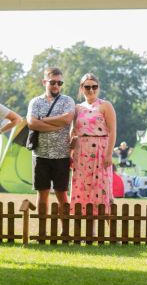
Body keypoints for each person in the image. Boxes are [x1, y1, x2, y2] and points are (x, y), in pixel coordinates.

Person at [27, 67, 75, 212]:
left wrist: (43, 120)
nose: (56, 86)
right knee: (42, 194)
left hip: (62, 155)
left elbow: (67, 119)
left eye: (60, 83)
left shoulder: (68, 101)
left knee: (62, 194)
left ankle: (64, 226)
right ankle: (42, 227)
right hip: (40, 155)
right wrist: (57, 125)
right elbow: (32, 123)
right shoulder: (35, 102)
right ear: (44, 82)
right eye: (52, 82)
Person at [70, 73, 117, 214]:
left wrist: (109, 154)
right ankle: (89, 227)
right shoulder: (77, 108)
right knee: (83, 189)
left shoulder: (105, 105)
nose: (91, 90)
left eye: (94, 86)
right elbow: (73, 132)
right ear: (81, 88)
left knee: (102, 188)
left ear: (98, 88)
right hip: (81, 152)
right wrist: (70, 153)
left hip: (100, 150)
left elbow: (113, 131)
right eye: (87, 87)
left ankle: (109, 224)